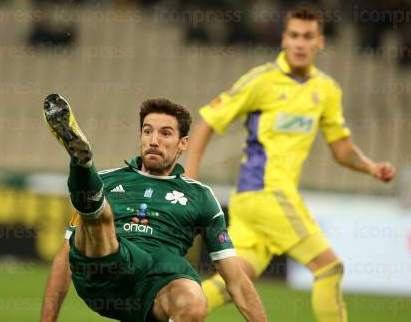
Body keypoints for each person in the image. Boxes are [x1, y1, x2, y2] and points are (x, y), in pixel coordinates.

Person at [185, 7, 396, 322]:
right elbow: (207, 121)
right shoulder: (262, 80)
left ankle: (174, 311)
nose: (300, 43)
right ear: (284, 39)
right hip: (268, 193)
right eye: (294, 35)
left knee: (233, 282)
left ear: (319, 43)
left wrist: (371, 167)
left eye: (308, 36)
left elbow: (341, 149)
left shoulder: (326, 90)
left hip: (252, 203)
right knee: (329, 267)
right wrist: (191, 174)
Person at [40, 94, 267, 322]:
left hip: (157, 285)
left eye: (165, 133)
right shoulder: (107, 181)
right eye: (147, 131)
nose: (153, 140)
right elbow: (64, 257)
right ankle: (81, 163)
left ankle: (81, 165)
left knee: (195, 304)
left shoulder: (200, 196)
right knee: (101, 217)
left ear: (183, 143)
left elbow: (235, 279)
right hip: (103, 272)